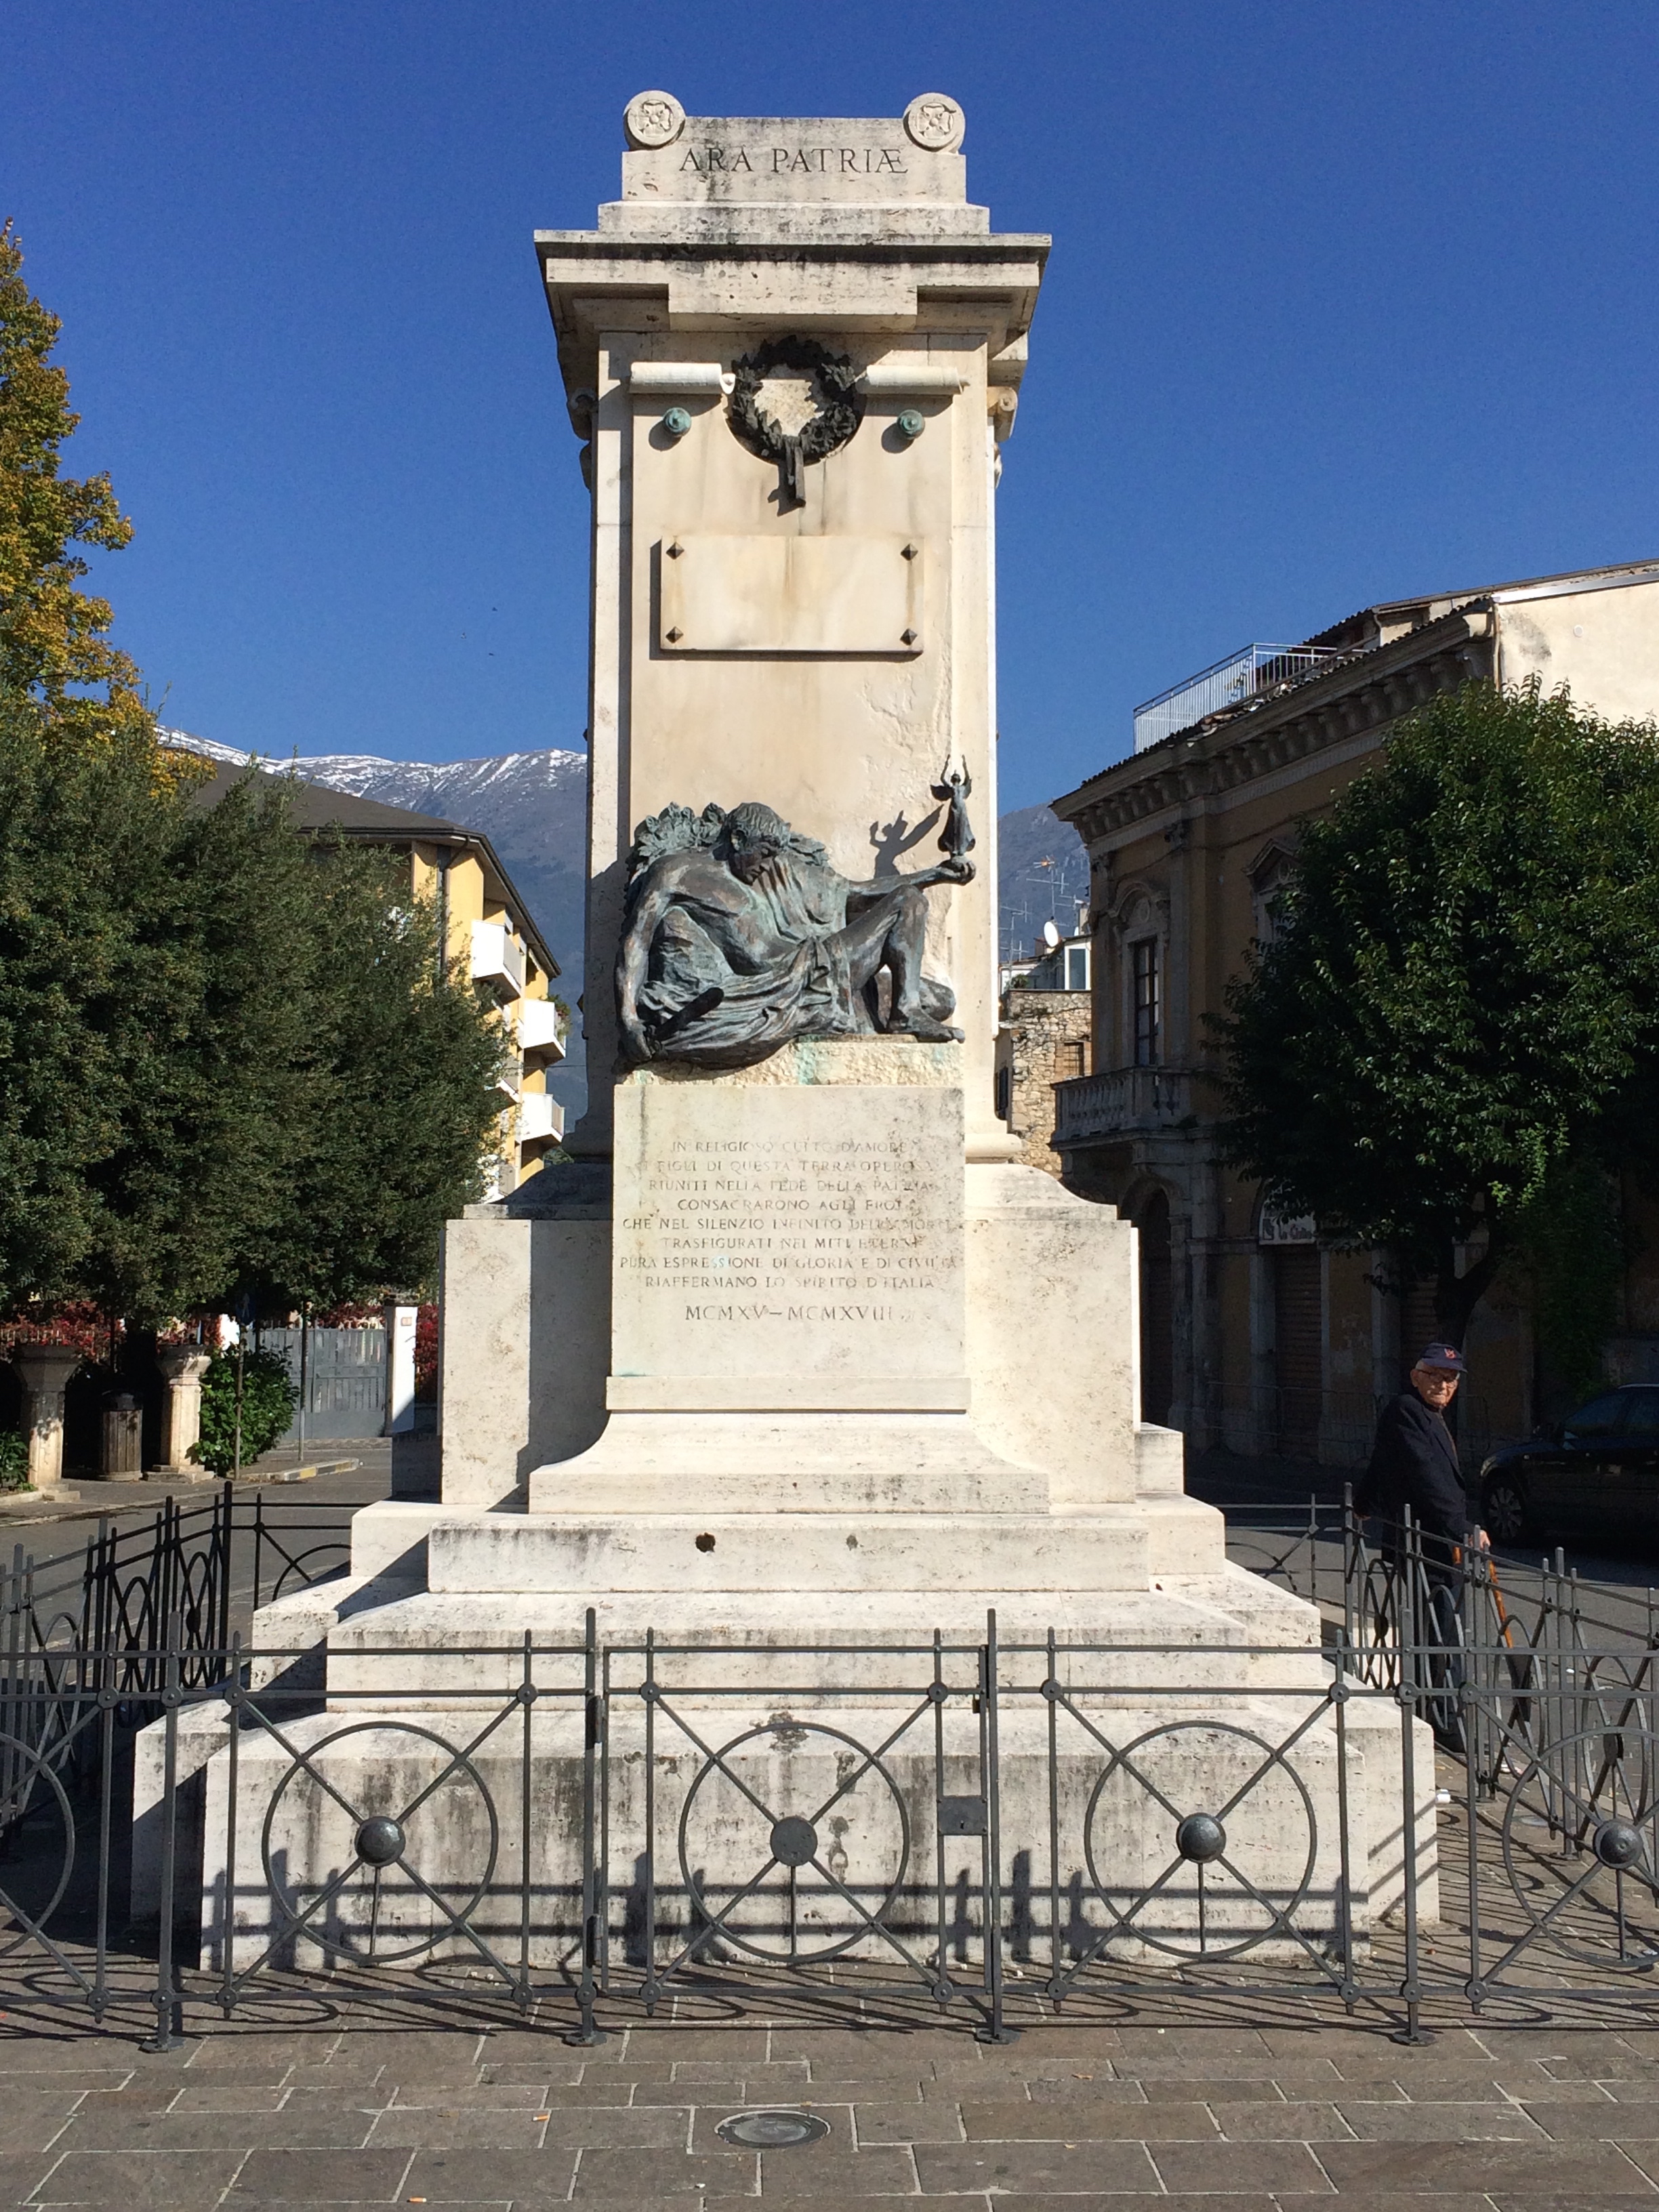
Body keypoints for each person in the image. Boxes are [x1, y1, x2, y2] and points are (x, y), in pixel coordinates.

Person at [1355, 1343, 1488, 1748]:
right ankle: (1446, 1723)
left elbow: (1384, 1463)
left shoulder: (1424, 1415)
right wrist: (1465, 1529)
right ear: (1416, 1376)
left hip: (1432, 1543)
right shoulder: (1407, 1411)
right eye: (1434, 1376)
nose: (1443, 1385)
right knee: (1442, 1634)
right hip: (1431, 1544)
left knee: (1441, 1631)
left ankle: (1439, 1714)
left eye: (1450, 1379)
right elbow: (1425, 1478)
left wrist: (1365, 1503)